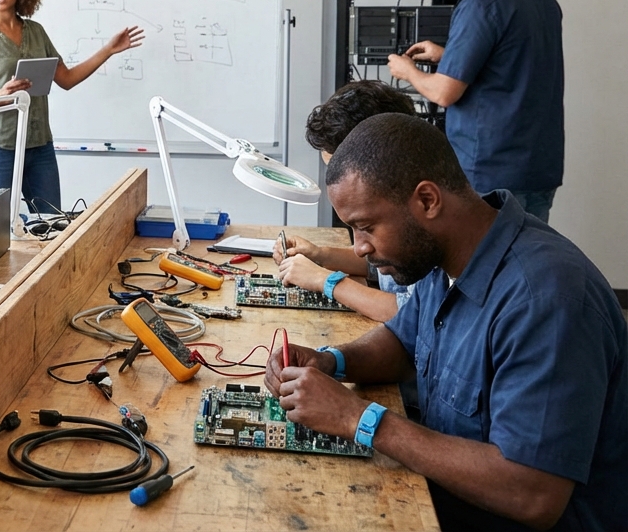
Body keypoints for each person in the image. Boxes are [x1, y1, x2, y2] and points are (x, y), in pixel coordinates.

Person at [265, 114, 627, 531]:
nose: (360, 248)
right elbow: (403, 343)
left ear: (427, 201)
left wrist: (356, 418)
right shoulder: (445, 257)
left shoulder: (546, 300)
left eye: (365, 227)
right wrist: (330, 361)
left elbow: (531, 492)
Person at [387, 0, 563, 223]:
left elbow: (444, 93)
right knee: (526, 264)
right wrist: (448, 55)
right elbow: (514, 62)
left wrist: (407, 71)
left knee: (485, 267)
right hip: (539, 168)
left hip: (490, 172)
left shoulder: (480, 4)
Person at [0, 0, 143, 215]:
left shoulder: (36, 32)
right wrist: (2, 93)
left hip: (39, 147)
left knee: (52, 223)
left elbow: (66, 79)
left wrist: (108, 50)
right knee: (0, 233)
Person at [274, 80, 417, 322]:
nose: (361, 246)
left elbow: (415, 314)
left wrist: (326, 281)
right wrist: (320, 255)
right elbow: (382, 269)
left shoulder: (421, 215)